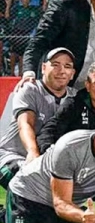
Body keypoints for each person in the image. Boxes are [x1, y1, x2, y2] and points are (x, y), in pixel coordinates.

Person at [0, 48, 76, 189]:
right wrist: (33, 153)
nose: (61, 71)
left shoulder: (75, 97)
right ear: (43, 68)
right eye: (55, 64)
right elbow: (25, 124)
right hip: (12, 156)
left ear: (72, 74)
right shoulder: (30, 89)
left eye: (67, 66)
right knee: (30, 183)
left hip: (47, 164)